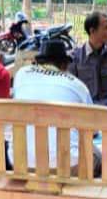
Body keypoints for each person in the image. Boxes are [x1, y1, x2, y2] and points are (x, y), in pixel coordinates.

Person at [9, 40, 95, 171]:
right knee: (96, 155)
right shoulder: (78, 86)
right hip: (65, 167)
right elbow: (92, 128)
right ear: (65, 64)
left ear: (38, 62)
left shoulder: (21, 75)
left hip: (21, 164)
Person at [69, 11, 107, 106]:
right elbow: (72, 89)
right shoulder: (75, 57)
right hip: (85, 108)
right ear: (92, 31)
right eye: (106, 28)